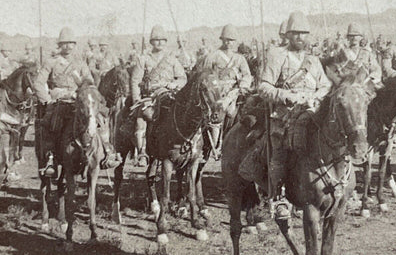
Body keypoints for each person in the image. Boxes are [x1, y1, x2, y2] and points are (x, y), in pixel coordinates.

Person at [253, 11, 331, 220]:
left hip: (312, 110)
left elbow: (325, 85)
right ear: (287, 35)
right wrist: (285, 95)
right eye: (295, 33)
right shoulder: (277, 56)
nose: (300, 37)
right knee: (279, 151)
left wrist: (316, 97)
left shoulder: (313, 61)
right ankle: (279, 196)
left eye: (303, 33)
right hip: (285, 114)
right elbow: (263, 87)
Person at [33, 27, 119, 177]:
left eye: (71, 43)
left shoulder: (80, 63)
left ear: (74, 44)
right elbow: (39, 83)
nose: (68, 46)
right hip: (58, 98)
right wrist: (47, 100)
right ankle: (50, 158)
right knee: (51, 122)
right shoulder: (51, 62)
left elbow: (89, 81)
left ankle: (107, 150)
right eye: (64, 43)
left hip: (78, 99)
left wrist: (83, 93)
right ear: (60, 45)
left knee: (100, 118)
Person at [130, 25, 188, 164]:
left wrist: (175, 84)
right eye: (156, 40)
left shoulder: (172, 59)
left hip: (169, 94)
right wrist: (136, 99)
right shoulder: (143, 59)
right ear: (151, 42)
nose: (160, 42)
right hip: (149, 96)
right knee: (142, 117)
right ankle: (142, 152)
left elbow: (182, 78)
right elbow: (135, 80)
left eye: (163, 40)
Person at [202, 24, 252, 124]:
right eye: (226, 39)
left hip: (235, 92)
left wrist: (243, 86)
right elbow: (205, 75)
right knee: (213, 118)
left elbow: (247, 75)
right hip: (216, 92)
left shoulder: (240, 58)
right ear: (222, 39)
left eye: (231, 40)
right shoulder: (212, 56)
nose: (229, 42)